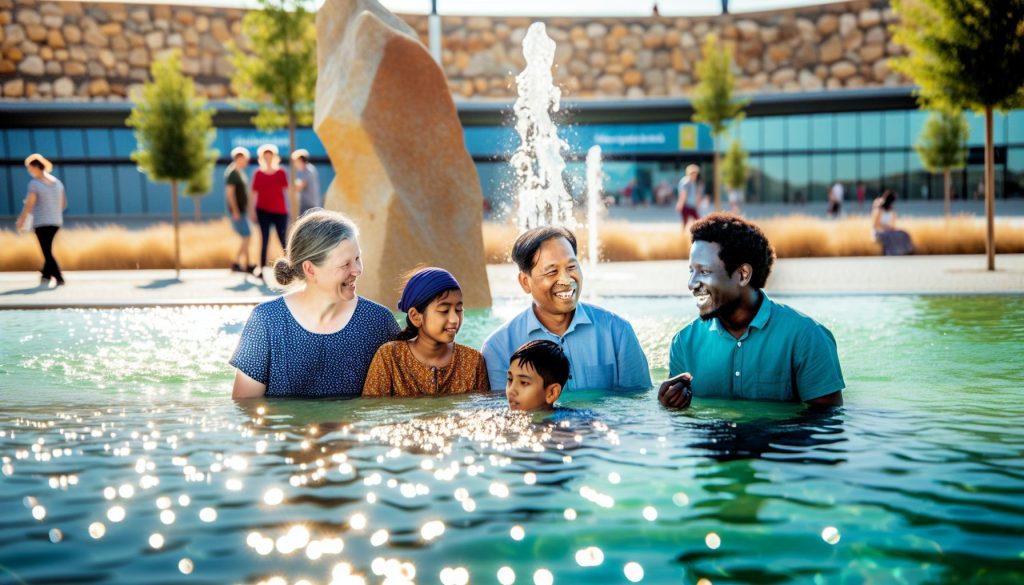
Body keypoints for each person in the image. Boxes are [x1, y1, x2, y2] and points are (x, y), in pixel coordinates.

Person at [658, 214, 845, 409]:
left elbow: (826, 422)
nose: (691, 284)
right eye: (691, 271)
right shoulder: (683, 343)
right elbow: (683, 423)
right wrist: (670, 407)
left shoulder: (808, 338)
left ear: (743, 275)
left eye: (704, 272)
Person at [230, 210, 400, 398]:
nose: (357, 270)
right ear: (310, 269)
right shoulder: (267, 321)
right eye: (346, 264)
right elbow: (246, 407)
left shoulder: (378, 321)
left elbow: (403, 400)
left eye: (357, 259)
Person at [481, 226, 651, 393]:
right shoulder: (499, 348)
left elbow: (639, 402)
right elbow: (506, 408)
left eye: (571, 267)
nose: (567, 280)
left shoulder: (618, 332)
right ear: (525, 282)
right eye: (552, 271)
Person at [362, 267, 489, 397]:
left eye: (459, 309)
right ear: (415, 317)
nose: (454, 319)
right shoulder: (390, 357)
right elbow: (371, 406)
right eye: (444, 311)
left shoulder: (473, 361)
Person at [16, 153, 66, 287]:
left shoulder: (35, 183)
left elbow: (29, 204)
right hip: (56, 221)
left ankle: (59, 277)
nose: (29, 171)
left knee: (46, 251)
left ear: (36, 167)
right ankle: (46, 275)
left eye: (30, 168)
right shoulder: (57, 183)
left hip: (42, 222)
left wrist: (22, 219)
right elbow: (63, 204)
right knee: (47, 248)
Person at [252, 143, 289, 276]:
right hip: (263, 211)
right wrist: (251, 211)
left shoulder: (281, 173)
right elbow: (253, 193)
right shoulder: (258, 174)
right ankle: (261, 268)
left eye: (270, 156)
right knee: (264, 239)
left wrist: (293, 209)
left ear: (274, 157)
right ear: (262, 158)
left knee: (283, 239)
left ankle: (291, 266)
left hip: (280, 212)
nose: (268, 159)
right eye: (265, 157)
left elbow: (288, 191)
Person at [505, 340, 569, 411]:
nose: (511, 391)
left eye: (524, 382)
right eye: (510, 379)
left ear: (552, 393)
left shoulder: (574, 417)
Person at [225, 147, 255, 274]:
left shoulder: (239, 172)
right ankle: (236, 263)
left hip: (242, 210)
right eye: (245, 159)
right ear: (239, 158)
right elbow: (230, 193)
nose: (246, 161)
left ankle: (248, 264)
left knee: (246, 236)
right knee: (247, 235)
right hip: (238, 211)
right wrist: (235, 211)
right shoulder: (232, 173)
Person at [872, 190, 914, 256]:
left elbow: (893, 224)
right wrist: (886, 227)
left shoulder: (892, 211)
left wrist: (890, 228)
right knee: (890, 236)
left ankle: (906, 252)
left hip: (889, 230)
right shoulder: (879, 210)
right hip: (879, 232)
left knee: (904, 234)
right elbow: (875, 225)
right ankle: (890, 253)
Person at [291, 148, 322, 215]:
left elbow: (299, 187)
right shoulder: (306, 170)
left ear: (300, 160)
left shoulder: (308, 171)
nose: (294, 164)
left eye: (295, 161)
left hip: (310, 206)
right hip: (307, 204)